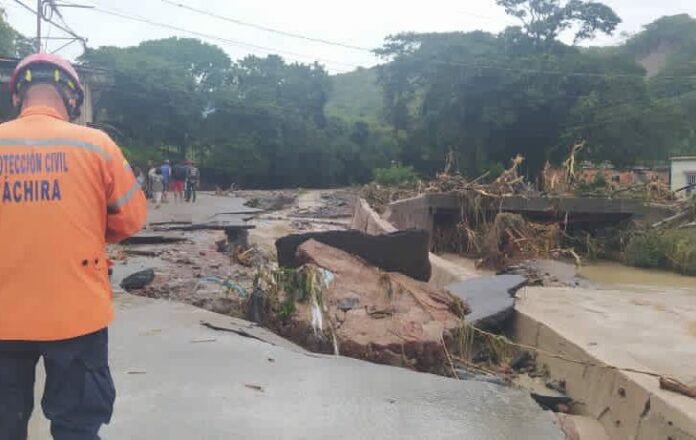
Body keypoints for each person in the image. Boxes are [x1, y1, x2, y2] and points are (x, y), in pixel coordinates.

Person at [0, 53, 147, 439]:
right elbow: (130, 219)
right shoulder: (98, 146)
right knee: (77, 427)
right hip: (77, 314)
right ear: (72, 99)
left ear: (18, 96)